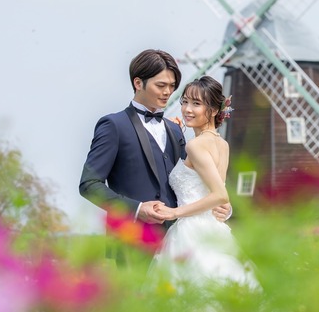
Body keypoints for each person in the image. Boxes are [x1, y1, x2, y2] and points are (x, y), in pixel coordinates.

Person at [78, 49, 231, 254]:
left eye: (172, 86)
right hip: (131, 240)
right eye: (161, 85)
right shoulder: (113, 125)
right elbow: (89, 184)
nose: (168, 92)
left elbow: (195, 180)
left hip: (179, 241)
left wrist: (224, 208)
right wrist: (138, 209)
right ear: (138, 83)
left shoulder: (175, 129)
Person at [149, 76, 260, 292]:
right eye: (184, 102)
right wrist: (227, 209)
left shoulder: (195, 146)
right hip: (214, 229)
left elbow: (219, 194)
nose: (187, 109)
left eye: (196, 103)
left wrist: (174, 213)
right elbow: (219, 194)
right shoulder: (222, 144)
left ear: (214, 110)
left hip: (191, 232)